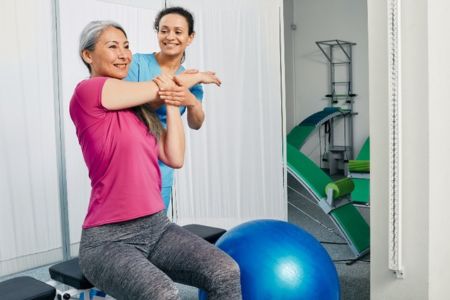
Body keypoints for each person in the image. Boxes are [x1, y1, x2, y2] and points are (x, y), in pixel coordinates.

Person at [71, 20, 241, 300]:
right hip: (107, 241)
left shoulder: (139, 110)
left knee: (225, 270)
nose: (124, 54)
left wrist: (173, 102)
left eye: (127, 46)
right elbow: (153, 87)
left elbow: (174, 157)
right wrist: (187, 79)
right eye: (113, 46)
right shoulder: (87, 92)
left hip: (157, 227)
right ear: (88, 56)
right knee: (162, 293)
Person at [125, 6, 219, 212]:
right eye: (164, 30)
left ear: (190, 37)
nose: (170, 37)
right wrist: (185, 82)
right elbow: (138, 107)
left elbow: (196, 123)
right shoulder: (136, 64)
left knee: (158, 224)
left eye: (178, 32)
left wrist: (192, 101)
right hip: (131, 156)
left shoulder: (191, 78)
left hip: (164, 160)